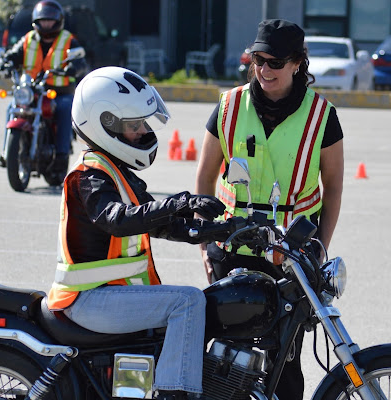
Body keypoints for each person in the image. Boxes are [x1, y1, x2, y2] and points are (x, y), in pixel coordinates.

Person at [46, 66, 232, 400]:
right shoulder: (91, 176)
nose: (144, 132)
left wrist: (222, 230)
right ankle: (176, 394)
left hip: (107, 295)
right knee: (188, 301)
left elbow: (161, 224)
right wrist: (179, 201)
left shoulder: (119, 171)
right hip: (86, 298)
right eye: (136, 126)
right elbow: (118, 218)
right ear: (106, 125)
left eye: (145, 124)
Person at [195, 19, 344, 400]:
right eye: (257, 59)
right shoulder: (230, 106)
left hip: (290, 258)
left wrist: (318, 252)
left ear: (297, 63)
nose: (263, 70)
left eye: (274, 62)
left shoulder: (320, 116)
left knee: (285, 362)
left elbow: (333, 189)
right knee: (219, 356)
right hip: (233, 250)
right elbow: (205, 178)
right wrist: (205, 245)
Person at [0, 0, 87, 173]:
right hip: (32, 90)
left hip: (59, 92)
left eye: (50, 20)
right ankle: (7, 152)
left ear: (58, 20)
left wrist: (73, 68)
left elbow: (80, 61)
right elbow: (13, 55)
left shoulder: (68, 39)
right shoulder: (28, 39)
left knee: (65, 108)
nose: (46, 23)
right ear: (36, 20)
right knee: (11, 107)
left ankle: (61, 155)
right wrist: (4, 65)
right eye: (43, 20)